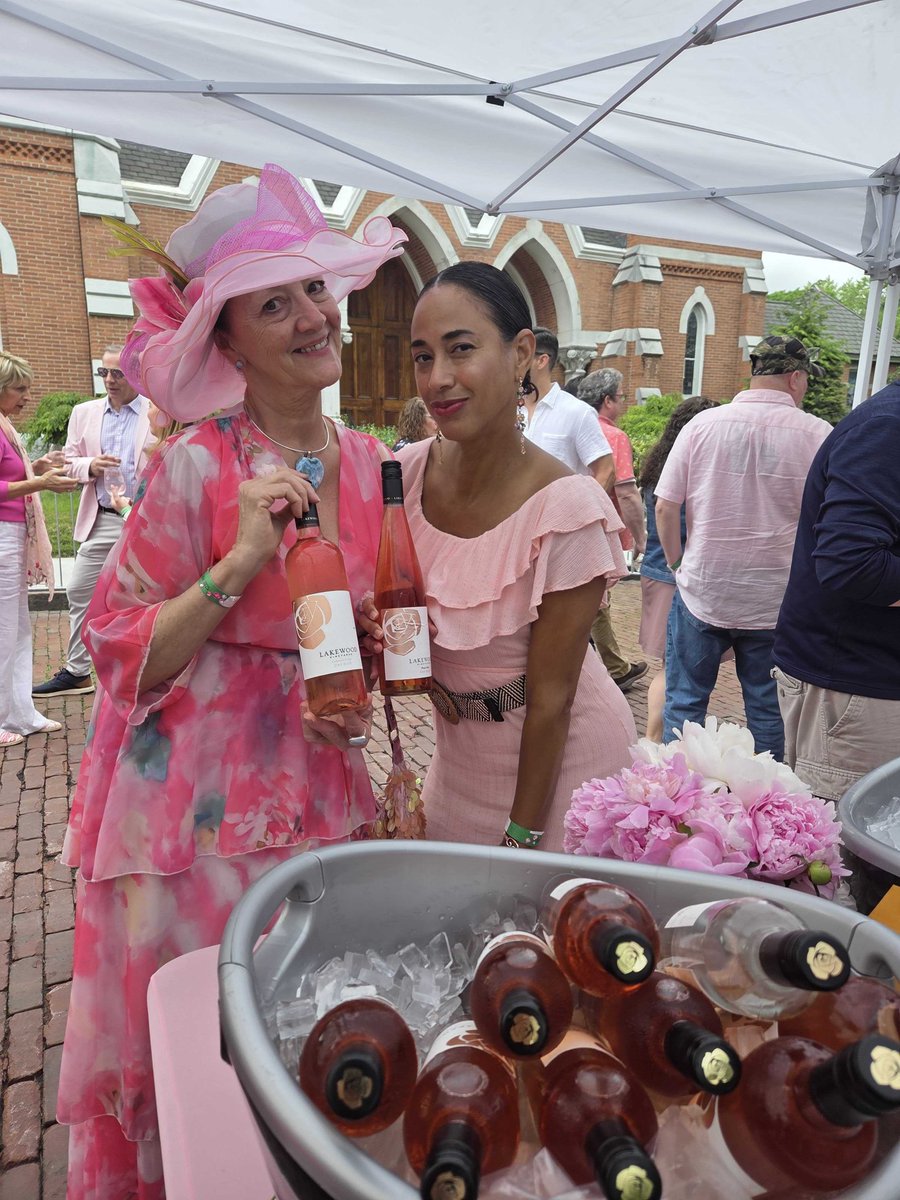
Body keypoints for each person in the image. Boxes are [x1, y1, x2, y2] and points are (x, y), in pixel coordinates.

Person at [56, 163, 407, 1199]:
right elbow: (119, 649)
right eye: (275, 303)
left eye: (314, 292)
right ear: (228, 342)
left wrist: (375, 650)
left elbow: (353, 623)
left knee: (308, 1020)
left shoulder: (365, 457)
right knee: (201, 1044)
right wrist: (237, 563)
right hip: (192, 818)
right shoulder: (198, 464)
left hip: (322, 783)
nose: (311, 316)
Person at [360, 262, 637, 853]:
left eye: (461, 349)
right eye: (423, 357)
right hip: (458, 765)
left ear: (521, 354)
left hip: (564, 769)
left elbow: (553, 700)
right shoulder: (401, 479)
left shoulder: (567, 508)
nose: (437, 379)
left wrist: (520, 839)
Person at [654, 334, 832, 758]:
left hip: (704, 587)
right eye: (806, 379)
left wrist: (678, 563)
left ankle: (674, 802)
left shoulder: (702, 425)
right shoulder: (819, 435)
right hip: (775, 597)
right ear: (795, 377)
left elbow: (665, 506)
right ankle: (767, 806)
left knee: (685, 703)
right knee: (768, 712)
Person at [773, 374, 900, 802]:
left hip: (868, 685)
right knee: (858, 862)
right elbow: (852, 564)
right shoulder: (887, 428)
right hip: (858, 691)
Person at [33, 345, 156, 697]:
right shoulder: (84, 412)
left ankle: (147, 666)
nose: (110, 380)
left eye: (117, 373)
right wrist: (89, 466)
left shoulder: (156, 410)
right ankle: (77, 670)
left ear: (135, 374)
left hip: (147, 520)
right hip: (103, 518)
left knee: (148, 593)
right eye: (104, 373)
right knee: (81, 591)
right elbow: (67, 461)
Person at [0, 351, 78, 746]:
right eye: (19, 389)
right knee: (3, 629)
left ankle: (19, 712)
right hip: (2, 535)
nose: (26, 397)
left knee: (16, 628)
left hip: (11, 534)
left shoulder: (6, 427)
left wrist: (39, 466)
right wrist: (40, 484)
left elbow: (10, 474)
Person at [638, 396, 720, 741]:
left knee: (670, 667)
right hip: (677, 575)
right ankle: (656, 743)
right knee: (674, 671)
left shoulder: (658, 467)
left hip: (655, 572)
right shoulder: (690, 472)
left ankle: (656, 741)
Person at [578, 368, 648, 691]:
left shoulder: (572, 423)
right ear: (607, 401)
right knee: (597, 599)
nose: (622, 403)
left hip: (570, 523)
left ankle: (608, 663)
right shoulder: (613, 436)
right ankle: (612, 667)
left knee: (590, 598)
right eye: (620, 397)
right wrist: (640, 535)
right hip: (602, 529)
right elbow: (626, 491)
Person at [522, 327, 614, 491]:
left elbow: (605, 470)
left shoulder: (577, 412)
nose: (515, 364)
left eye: (522, 357)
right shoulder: (507, 411)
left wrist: (583, 513)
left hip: (558, 514)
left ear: (542, 361)